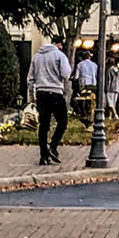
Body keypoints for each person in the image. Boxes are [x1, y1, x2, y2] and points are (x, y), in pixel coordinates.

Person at [27, 37, 71, 165]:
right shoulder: (59, 55)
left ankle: (43, 155)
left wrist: (32, 95)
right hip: (56, 92)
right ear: (58, 44)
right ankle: (53, 146)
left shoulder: (36, 57)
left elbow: (30, 78)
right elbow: (66, 74)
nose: (62, 47)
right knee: (62, 122)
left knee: (43, 125)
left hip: (41, 93)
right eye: (61, 45)